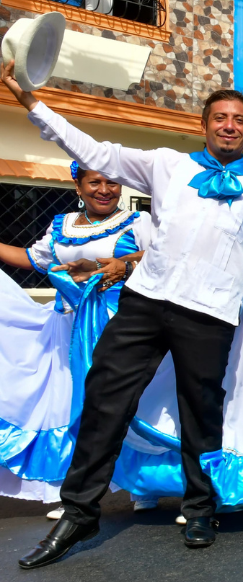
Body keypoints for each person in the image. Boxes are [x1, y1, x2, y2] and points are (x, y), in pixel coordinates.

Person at [4, 60, 243, 569]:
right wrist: (30, 101)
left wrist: (227, 278)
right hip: (145, 301)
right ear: (204, 125)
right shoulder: (167, 165)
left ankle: (200, 507)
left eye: (239, 120)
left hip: (209, 315)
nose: (229, 126)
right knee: (104, 395)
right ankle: (79, 511)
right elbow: (95, 152)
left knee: (201, 412)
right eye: (220, 118)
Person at [0, 162, 151, 515]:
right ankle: (66, 492)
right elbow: (32, 259)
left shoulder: (137, 222)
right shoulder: (62, 225)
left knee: (135, 404)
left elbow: (160, 257)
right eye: (94, 182)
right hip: (67, 328)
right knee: (69, 404)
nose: (104, 189)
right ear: (79, 187)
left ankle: (144, 485)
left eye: (112, 182)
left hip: (119, 325)